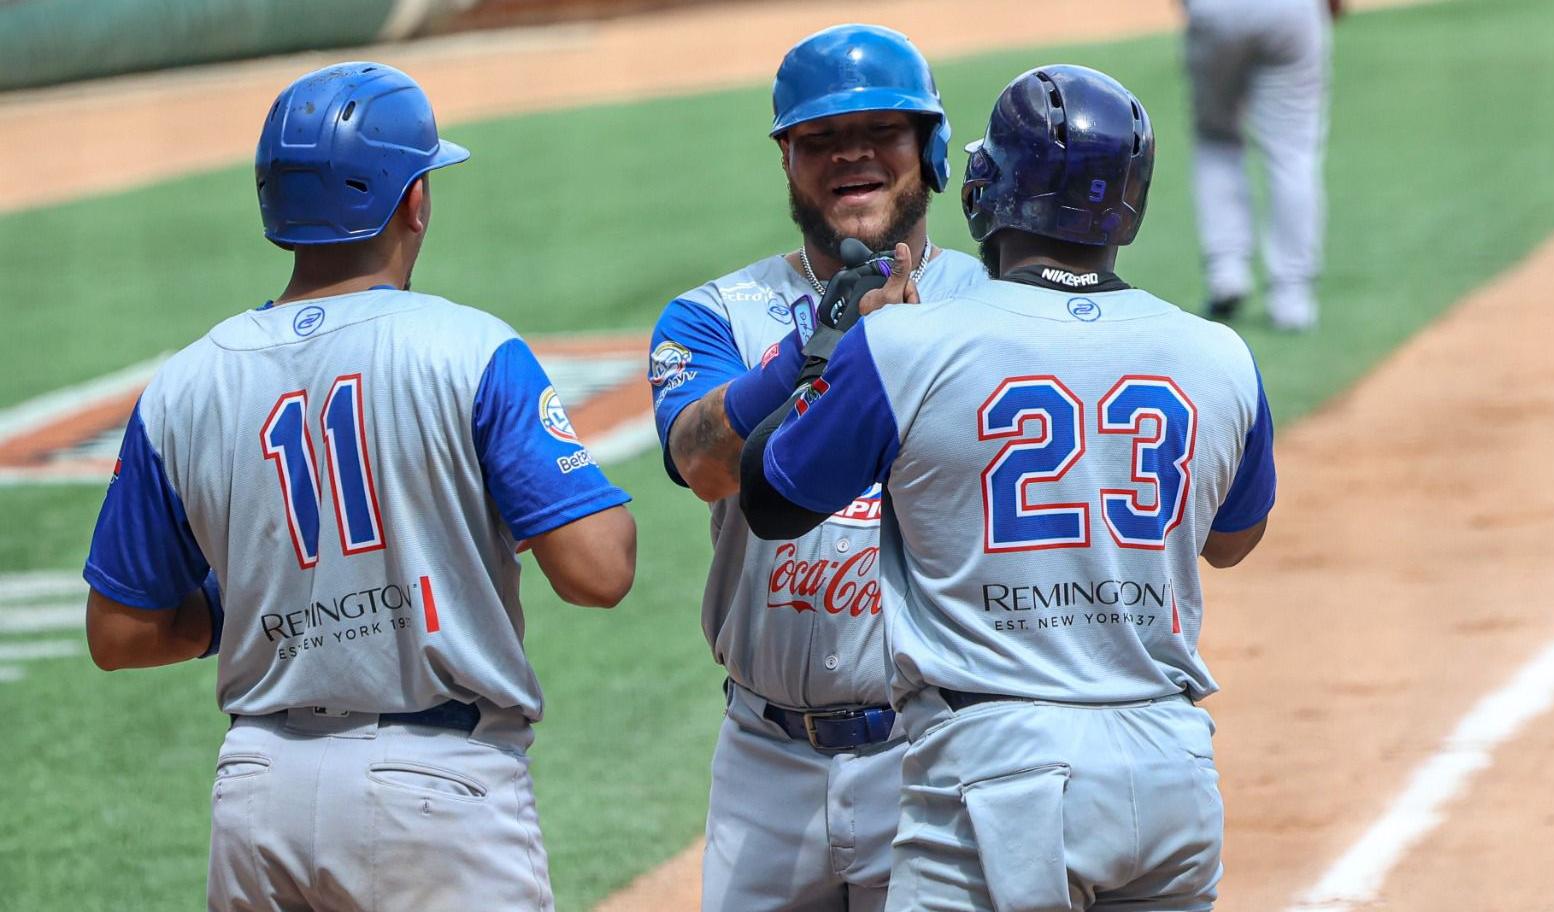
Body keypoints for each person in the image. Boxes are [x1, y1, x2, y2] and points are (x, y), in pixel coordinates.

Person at [81, 62, 636, 911]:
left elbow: (121, 633)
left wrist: (261, 603)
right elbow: (598, 572)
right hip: (435, 794)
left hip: (257, 793)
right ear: (413, 200)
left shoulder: (182, 385)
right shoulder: (467, 348)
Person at [741, 65, 1275, 911]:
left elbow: (771, 501)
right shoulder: (1217, 354)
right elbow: (1234, 540)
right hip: (1171, 765)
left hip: (1000, 769)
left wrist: (826, 360)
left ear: (987, 185)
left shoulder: (910, 344)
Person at [647, 23, 986, 912]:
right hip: (765, 762)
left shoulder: (995, 311)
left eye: (879, 133)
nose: (851, 157)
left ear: (929, 146)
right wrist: (818, 338)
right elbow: (703, 465)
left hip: (941, 748)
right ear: (786, 160)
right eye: (820, 139)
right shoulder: (715, 314)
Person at [1187, 0, 1340, 331]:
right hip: (1290, 12)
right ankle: (1292, 299)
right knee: (1293, 151)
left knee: (1217, 139)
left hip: (1216, 11)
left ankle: (1226, 273)